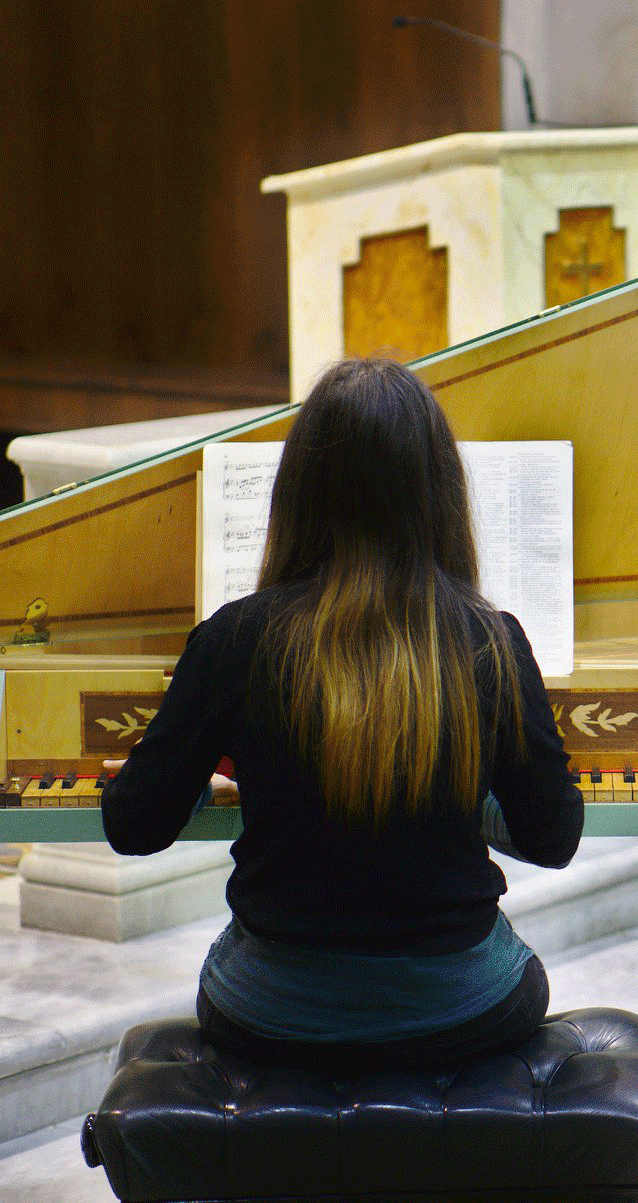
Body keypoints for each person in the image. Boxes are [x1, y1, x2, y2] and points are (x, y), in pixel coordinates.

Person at [102, 357, 584, 1074]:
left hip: (272, 1011)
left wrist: (200, 778)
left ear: (298, 491)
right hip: (460, 1010)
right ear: (439, 493)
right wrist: (458, 785)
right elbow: (552, 836)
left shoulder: (235, 639)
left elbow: (133, 824)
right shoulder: (490, 640)